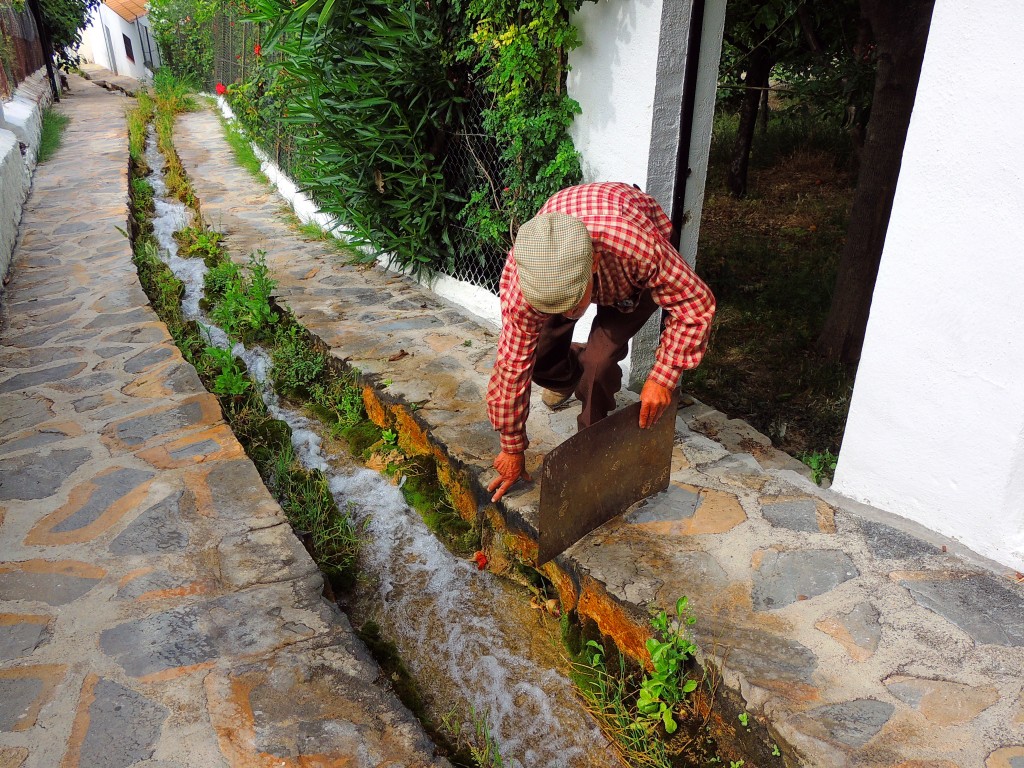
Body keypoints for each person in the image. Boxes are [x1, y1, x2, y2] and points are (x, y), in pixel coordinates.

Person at [485, 181, 716, 502]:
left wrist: (664, 377)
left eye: (573, 304)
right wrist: (511, 446)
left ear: (593, 264)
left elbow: (695, 302)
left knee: (599, 362)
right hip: (578, 262)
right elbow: (512, 366)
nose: (567, 315)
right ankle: (566, 377)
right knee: (536, 356)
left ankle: (592, 443)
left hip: (629, 270)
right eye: (554, 308)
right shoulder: (523, 278)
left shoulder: (637, 248)